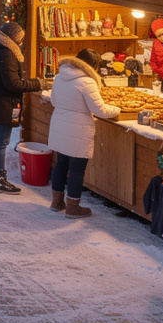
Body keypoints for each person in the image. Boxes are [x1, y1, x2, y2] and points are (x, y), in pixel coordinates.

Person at [46, 48, 119, 218]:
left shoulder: (59, 76)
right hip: (78, 130)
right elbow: (99, 109)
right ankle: (73, 207)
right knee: (77, 170)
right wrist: (117, 109)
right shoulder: (87, 82)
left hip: (60, 126)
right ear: (92, 66)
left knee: (61, 165)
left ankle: (56, 202)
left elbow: (54, 101)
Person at [0, 21, 42, 194]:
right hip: (2, 102)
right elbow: (12, 83)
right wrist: (37, 84)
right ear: (13, 39)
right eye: (20, 40)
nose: (20, 43)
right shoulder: (6, 54)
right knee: (1, 141)